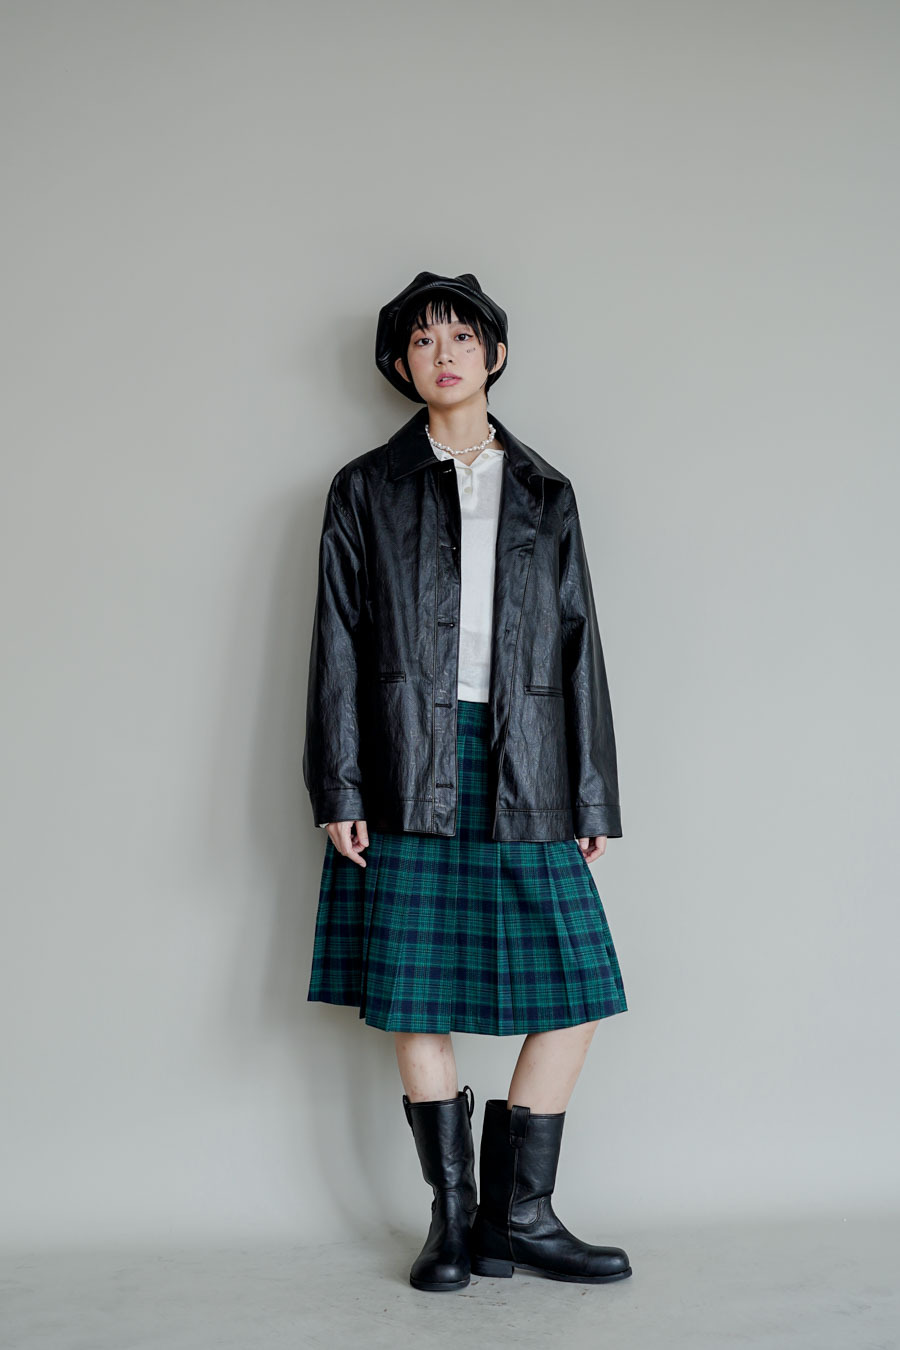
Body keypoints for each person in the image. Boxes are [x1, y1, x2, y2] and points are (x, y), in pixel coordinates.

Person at [302, 271, 633, 1292]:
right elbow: (337, 646)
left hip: (526, 757)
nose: (441, 353)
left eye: (459, 335)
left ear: (494, 354)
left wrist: (590, 793)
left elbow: (580, 647)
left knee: (578, 986)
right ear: (400, 365)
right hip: (407, 756)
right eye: (421, 340)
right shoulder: (365, 487)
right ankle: (453, 1223)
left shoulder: (546, 491)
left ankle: (517, 1220)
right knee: (416, 996)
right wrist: (340, 787)